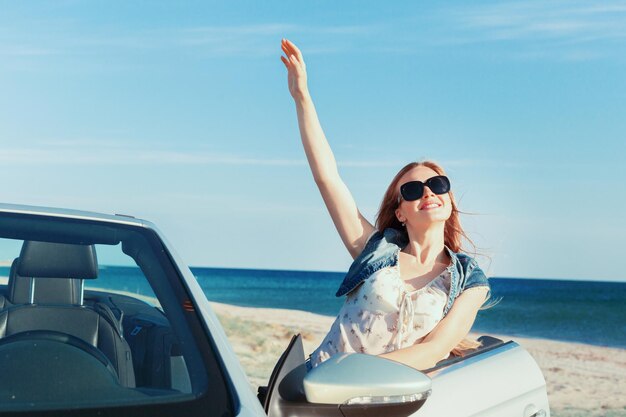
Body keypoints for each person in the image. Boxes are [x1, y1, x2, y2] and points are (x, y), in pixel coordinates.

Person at [280, 39, 491, 371]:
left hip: (382, 398)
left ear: (449, 200)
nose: (427, 193)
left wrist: (356, 377)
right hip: (319, 385)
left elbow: (435, 349)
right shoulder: (375, 250)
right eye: (412, 190)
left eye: (437, 185)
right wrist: (302, 97)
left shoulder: (469, 280)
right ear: (400, 212)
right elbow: (328, 179)